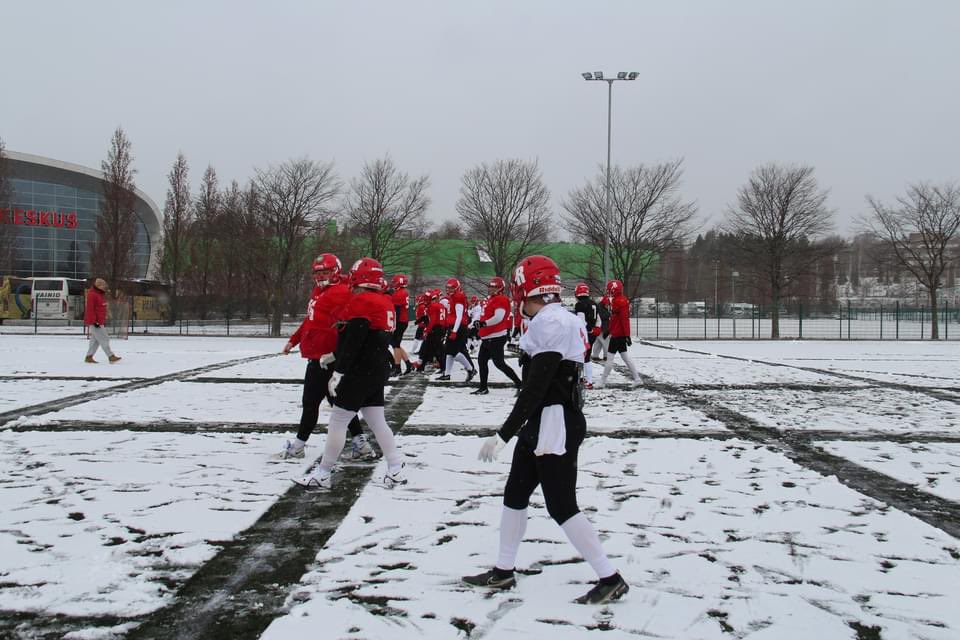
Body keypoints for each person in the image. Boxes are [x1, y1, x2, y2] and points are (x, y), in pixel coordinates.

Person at [463, 255, 628, 605]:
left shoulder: (553, 321)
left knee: (561, 505)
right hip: (544, 418)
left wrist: (504, 432)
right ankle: (504, 570)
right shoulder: (555, 318)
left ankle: (610, 577)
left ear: (526, 287)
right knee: (515, 494)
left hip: (555, 420)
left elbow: (537, 385)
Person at [295, 257, 406, 489]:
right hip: (378, 368)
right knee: (376, 420)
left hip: (361, 371)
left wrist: (340, 370)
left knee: (337, 421)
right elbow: (370, 338)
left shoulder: (362, 301)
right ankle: (395, 467)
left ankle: (323, 473)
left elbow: (356, 339)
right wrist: (336, 355)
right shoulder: (385, 300)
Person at [278, 254, 375, 461]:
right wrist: (294, 340)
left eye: (325, 272)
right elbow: (311, 320)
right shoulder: (321, 291)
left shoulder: (340, 292)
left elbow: (349, 322)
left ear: (336, 271)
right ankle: (361, 443)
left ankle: (298, 446)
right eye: (318, 272)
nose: (321, 276)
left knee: (311, 402)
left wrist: (337, 353)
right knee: (338, 402)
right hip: (320, 354)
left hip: (325, 357)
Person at [471, 276, 522, 395]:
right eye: (491, 286)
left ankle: (520, 384)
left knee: (499, 363)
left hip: (496, 336)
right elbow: (484, 314)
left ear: (500, 288)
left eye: (495, 287)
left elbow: (498, 317)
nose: (492, 289)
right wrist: (477, 321)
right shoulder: (490, 299)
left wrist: (484, 323)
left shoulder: (501, 299)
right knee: (482, 361)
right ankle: (483, 387)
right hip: (487, 337)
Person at [599, 280, 641, 387]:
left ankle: (602, 381)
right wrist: (609, 330)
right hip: (618, 334)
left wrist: (627, 335)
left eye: (609, 290)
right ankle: (637, 378)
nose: (608, 292)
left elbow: (624, 319)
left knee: (610, 358)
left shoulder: (619, 302)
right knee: (625, 357)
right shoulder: (618, 300)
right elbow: (615, 319)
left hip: (618, 335)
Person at [437, 277, 476, 382]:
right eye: (448, 287)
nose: (449, 289)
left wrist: (454, 331)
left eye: (452, 288)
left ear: (457, 288)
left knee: (453, 352)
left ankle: (470, 369)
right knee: (449, 352)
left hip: (458, 327)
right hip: (455, 326)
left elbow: (459, 316)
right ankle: (447, 374)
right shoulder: (453, 297)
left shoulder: (458, 296)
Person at [83, 278, 120, 364]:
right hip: (96, 322)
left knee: (95, 340)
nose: (105, 288)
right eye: (104, 286)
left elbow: (101, 307)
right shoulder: (92, 295)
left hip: (99, 321)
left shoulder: (99, 294)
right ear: (98, 286)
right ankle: (110, 356)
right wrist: (94, 321)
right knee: (104, 338)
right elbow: (90, 309)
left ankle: (89, 357)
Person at [573, 283, 601, 389]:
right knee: (586, 356)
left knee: (582, 357)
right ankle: (586, 379)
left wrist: (588, 330)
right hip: (592, 334)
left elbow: (581, 321)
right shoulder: (594, 303)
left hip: (585, 334)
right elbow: (598, 320)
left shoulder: (580, 305)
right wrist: (595, 329)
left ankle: (588, 380)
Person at [389, 274, 414, 377]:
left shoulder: (399, 294)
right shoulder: (403, 293)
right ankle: (408, 364)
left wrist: (393, 325)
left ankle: (397, 368)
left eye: (395, 282)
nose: (393, 284)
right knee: (396, 344)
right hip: (403, 321)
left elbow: (397, 312)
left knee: (395, 345)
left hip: (400, 321)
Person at [591, 294, 611, 362]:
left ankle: (595, 355)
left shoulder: (600, 307)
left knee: (598, 343)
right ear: (604, 303)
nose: (607, 305)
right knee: (606, 343)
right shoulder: (600, 308)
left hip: (600, 328)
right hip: (602, 328)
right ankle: (606, 356)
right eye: (607, 304)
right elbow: (602, 317)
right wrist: (609, 315)